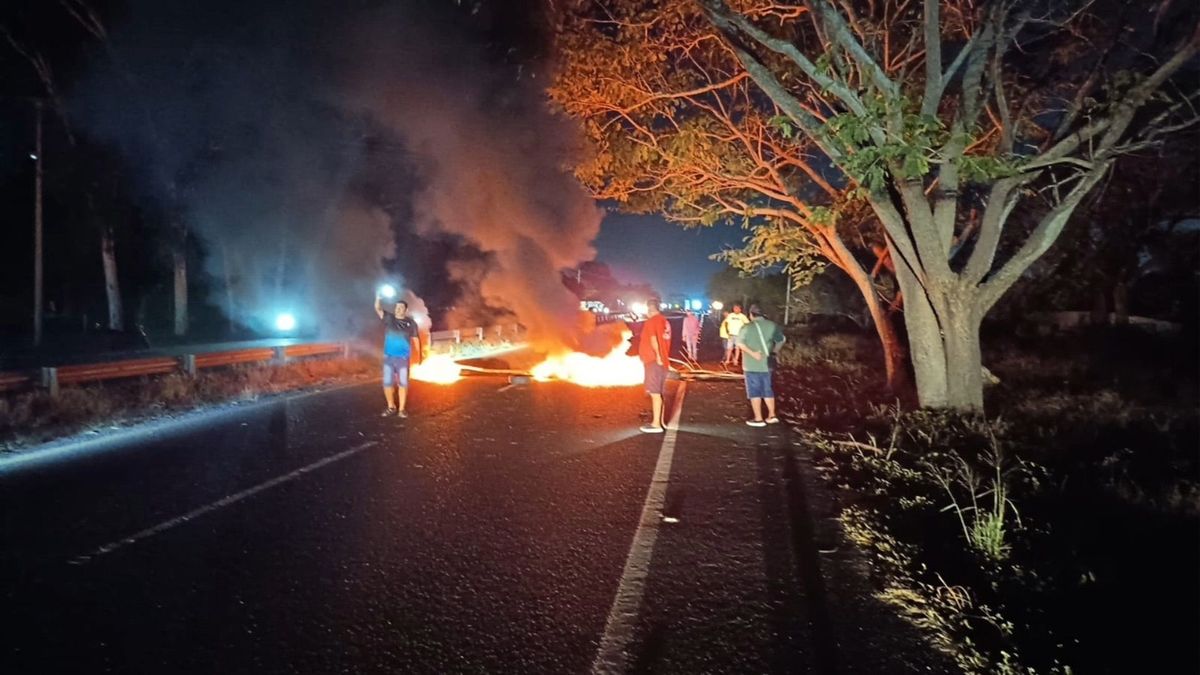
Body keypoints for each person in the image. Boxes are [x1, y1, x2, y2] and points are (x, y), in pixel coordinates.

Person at [736, 304, 786, 427]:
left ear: (751, 315)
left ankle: (758, 419)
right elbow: (781, 340)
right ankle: (771, 415)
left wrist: (753, 353)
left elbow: (739, 343)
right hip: (767, 364)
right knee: (767, 389)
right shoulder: (772, 325)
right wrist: (774, 352)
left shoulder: (747, 327)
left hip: (751, 365)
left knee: (754, 391)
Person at [374, 294, 420, 418]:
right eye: (396, 307)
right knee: (387, 383)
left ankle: (402, 409)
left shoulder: (411, 323)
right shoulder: (389, 318)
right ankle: (391, 407)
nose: (398, 309)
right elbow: (378, 308)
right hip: (389, 357)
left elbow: (416, 339)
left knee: (403, 384)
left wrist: (420, 355)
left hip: (403, 358)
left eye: (401, 308)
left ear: (406, 310)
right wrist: (378, 297)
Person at [638, 298, 672, 433]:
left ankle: (656, 424)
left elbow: (653, 339)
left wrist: (657, 356)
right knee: (659, 393)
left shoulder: (651, 321)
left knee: (655, 393)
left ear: (649, 309)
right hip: (663, 362)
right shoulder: (665, 321)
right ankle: (661, 421)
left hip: (653, 362)